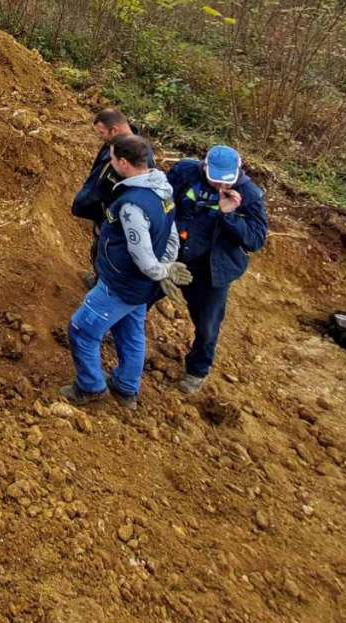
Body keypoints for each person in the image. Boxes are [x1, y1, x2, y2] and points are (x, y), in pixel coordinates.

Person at [61, 134, 192, 410]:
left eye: (112, 158)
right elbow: (171, 236)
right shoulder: (163, 189)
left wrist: (159, 270)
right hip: (140, 289)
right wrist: (166, 266)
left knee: (81, 330)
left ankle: (90, 387)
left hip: (120, 284)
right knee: (131, 334)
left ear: (123, 162)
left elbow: (141, 254)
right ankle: (125, 388)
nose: (109, 162)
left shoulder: (133, 204)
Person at [167, 145, 268, 394]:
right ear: (204, 166)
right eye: (215, 180)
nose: (220, 187)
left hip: (213, 269)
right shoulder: (184, 172)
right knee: (140, 292)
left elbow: (255, 240)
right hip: (175, 256)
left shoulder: (249, 194)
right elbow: (163, 203)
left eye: (226, 181)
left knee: (208, 325)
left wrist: (229, 215)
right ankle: (115, 332)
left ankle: (197, 370)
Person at [71, 109, 153, 274]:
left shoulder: (138, 156)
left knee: (108, 258)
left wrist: (107, 222)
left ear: (114, 130)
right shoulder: (113, 144)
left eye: (101, 133)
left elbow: (131, 198)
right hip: (102, 214)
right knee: (98, 253)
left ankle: (102, 290)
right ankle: (97, 281)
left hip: (114, 222)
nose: (100, 137)